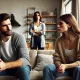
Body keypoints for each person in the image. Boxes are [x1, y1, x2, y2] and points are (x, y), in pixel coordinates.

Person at [43, 14, 80, 80]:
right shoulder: (58, 41)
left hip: (77, 68)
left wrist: (66, 66)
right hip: (65, 70)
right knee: (47, 68)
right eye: (58, 23)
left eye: (61, 23)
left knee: (79, 69)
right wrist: (60, 66)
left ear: (69, 25)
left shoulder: (79, 38)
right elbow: (56, 58)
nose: (58, 25)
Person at [0, 13, 31, 80]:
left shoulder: (19, 37)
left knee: (24, 69)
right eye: (4, 26)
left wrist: (5, 65)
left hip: (19, 68)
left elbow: (25, 59)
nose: (9, 28)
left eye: (9, 24)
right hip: (4, 70)